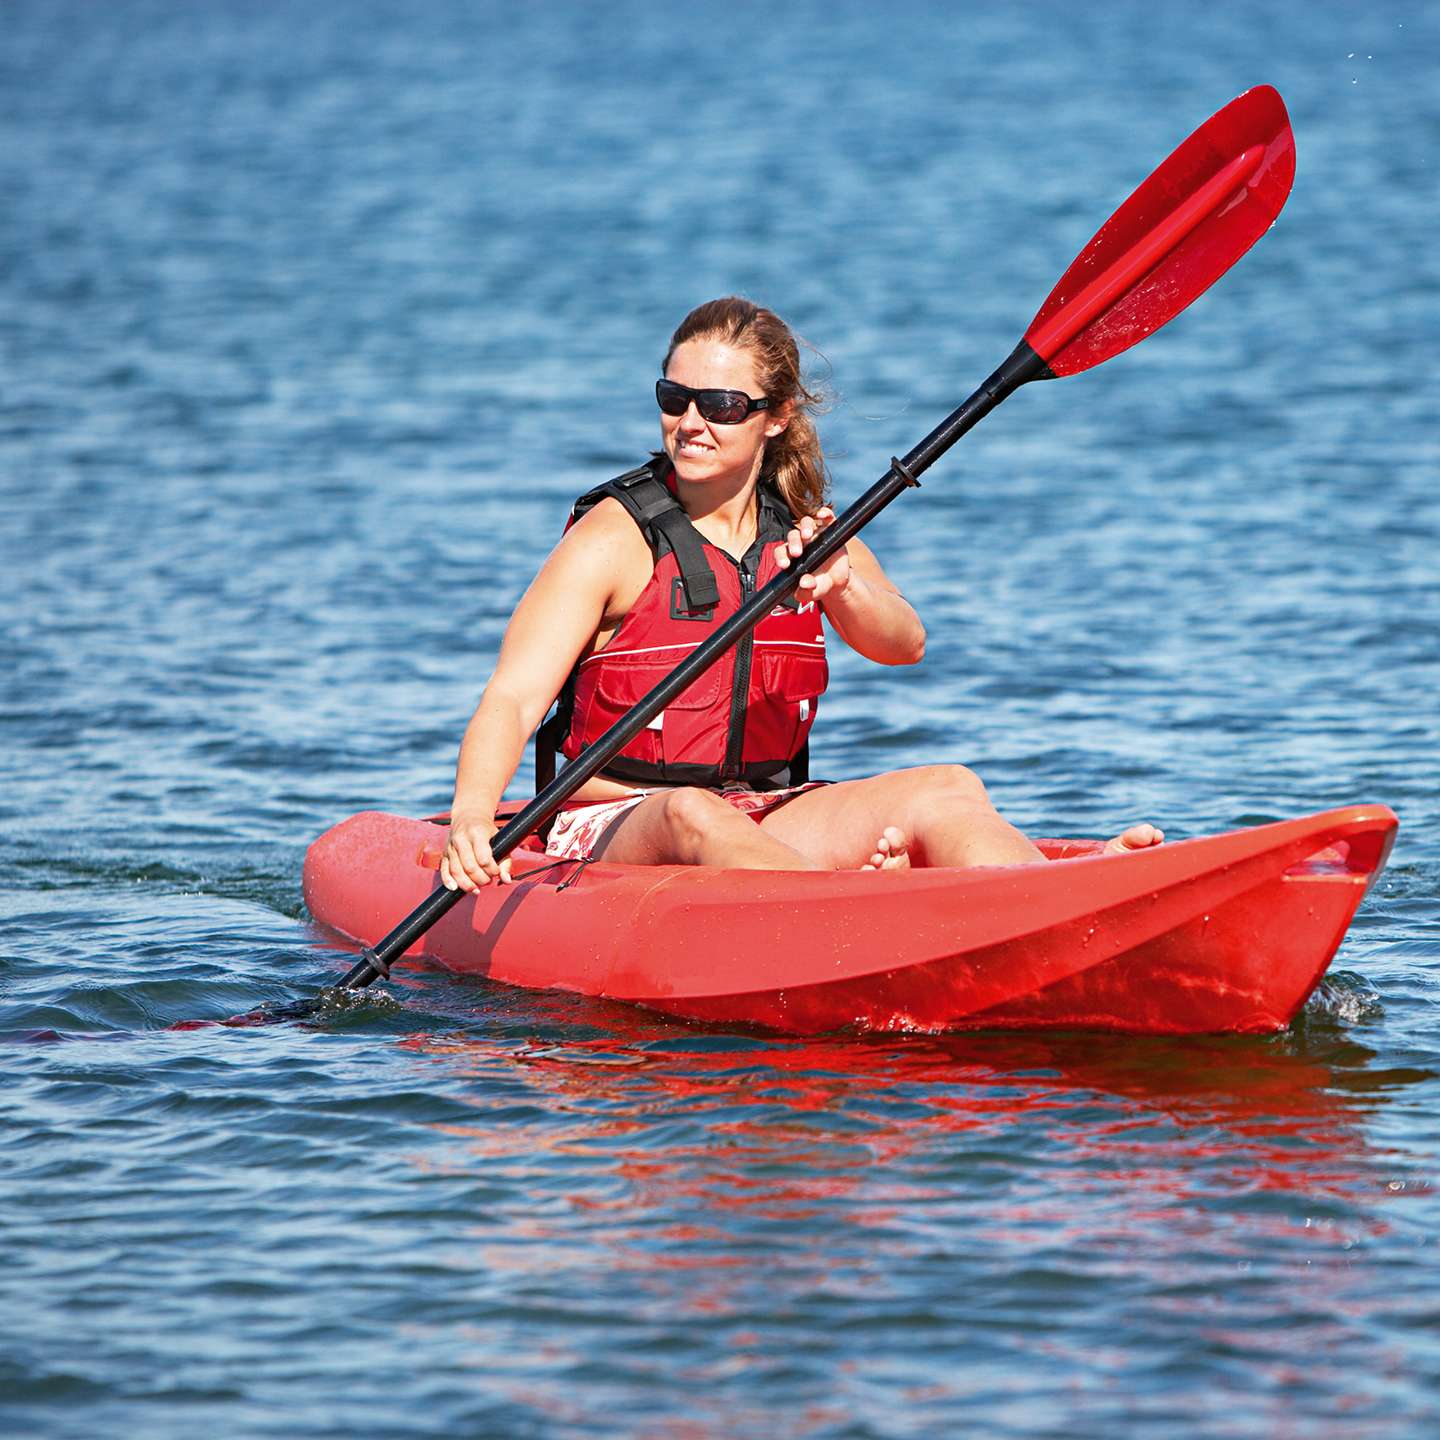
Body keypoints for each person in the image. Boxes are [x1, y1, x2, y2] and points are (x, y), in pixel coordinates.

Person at [441, 298, 1161, 893]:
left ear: (775, 417)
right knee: (693, 812)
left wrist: (842, 587)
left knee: (945, 785)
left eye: (721, 404)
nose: (691, 422)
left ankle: (1051, 898)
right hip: (610, 825)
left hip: (763, 811)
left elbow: (904, 644)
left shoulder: (812, 534)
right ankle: (873, 912)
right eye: (675, 397)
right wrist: (474, 816)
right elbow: (513, 695)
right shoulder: (610, 539)